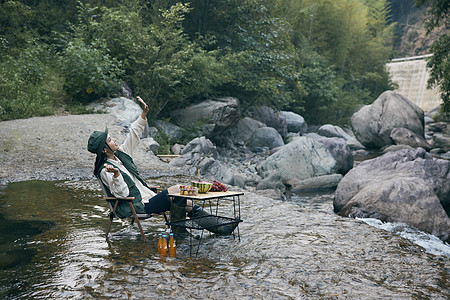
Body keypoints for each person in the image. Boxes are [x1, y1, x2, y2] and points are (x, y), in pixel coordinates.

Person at [87, 96, 237, 236]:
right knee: (178, 191)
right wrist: (117, 175)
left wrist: (143, 115)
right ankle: (186, 232)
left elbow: (132, 136)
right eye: (110, 139)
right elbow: (123, 194)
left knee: (185, 201)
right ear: (103, 148)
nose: (114, 140)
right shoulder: (105, 171)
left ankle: (219, 228)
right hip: (138, 206)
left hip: (147, 198)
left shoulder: (120, 155)